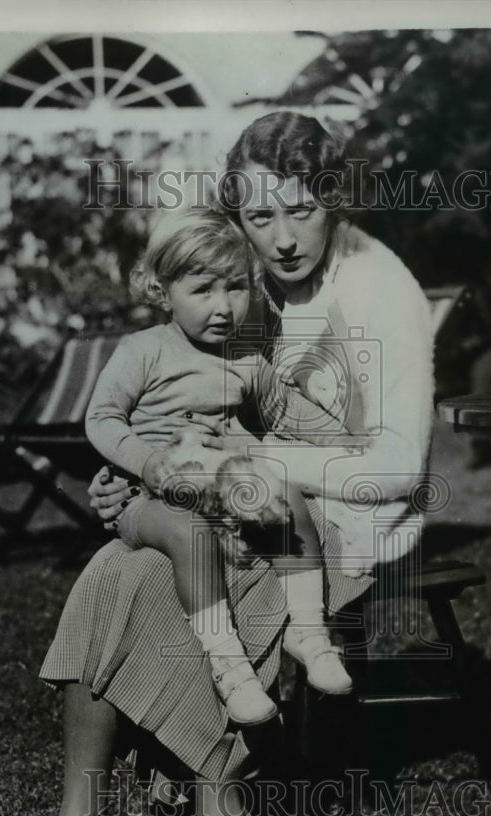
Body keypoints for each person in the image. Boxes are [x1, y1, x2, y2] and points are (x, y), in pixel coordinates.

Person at [0, 111, 433, 816]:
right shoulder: (248, 287)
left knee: (181, 595)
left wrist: (248, 467)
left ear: (334, 199)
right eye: (260, 217)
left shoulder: (381, 291)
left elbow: (394, 469)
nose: (283, 237)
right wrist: (136, 478)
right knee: (112, 571)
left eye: (300, 209)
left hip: (343, 523)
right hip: (234, 505)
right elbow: (186, 405)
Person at [84, 207, 352, 729]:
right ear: (163, 293)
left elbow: (294, 414)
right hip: (150, 496)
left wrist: (353, 445)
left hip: (226, 485)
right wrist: (147, 459)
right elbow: (101, 417)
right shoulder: (144, 351)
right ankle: (228, 667)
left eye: (236, 288)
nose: (224, 306)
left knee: (286, 495)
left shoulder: (246, 358)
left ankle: (308, 631)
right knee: (188, 531)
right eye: (203, 290)